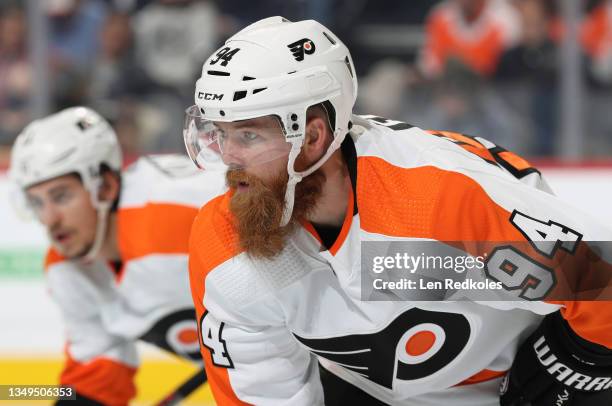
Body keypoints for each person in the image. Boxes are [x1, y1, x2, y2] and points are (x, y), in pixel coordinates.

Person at [185, 17, 612, 406]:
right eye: (220, 134)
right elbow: (259, 397)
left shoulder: (437, 198)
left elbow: (603, 282)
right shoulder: (224, 243)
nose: (228, 157)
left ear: (313, 136)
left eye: (248, 135)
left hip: (515, 380)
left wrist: (576, 362)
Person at [9, 106, 225, 405]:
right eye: (36, 202)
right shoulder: (66, 268)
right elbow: (97, 377)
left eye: (61, 196)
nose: (49, 219)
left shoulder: (176, 214)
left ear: (106, 186)